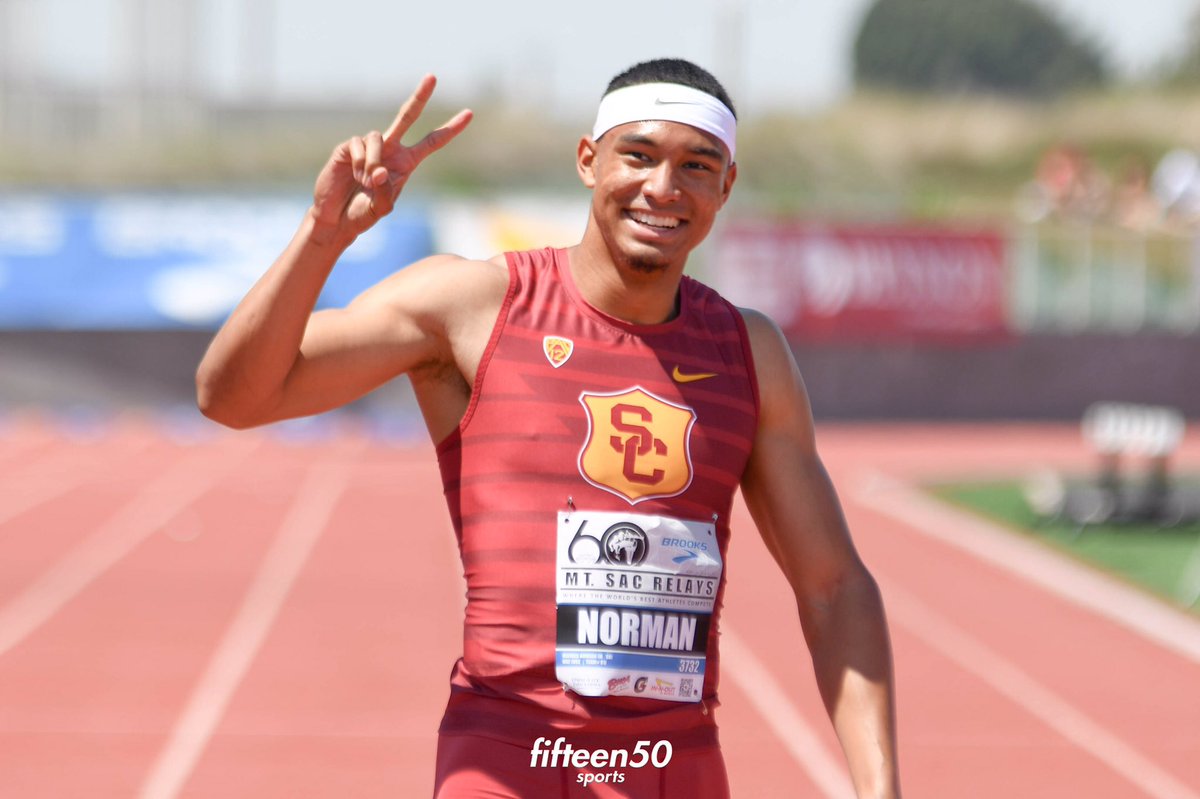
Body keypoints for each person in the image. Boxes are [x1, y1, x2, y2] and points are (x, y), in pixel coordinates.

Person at [196, 58, 901, 799]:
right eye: (638, 155)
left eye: (697, 165)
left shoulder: (747, 352)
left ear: (725, 186)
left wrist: (880, 788)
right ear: (588, 160)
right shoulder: (474, 307)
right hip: (507, 757)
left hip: (673, 765)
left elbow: (835, 587)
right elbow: (233, 397)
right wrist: (322, 236)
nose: (664, 187)